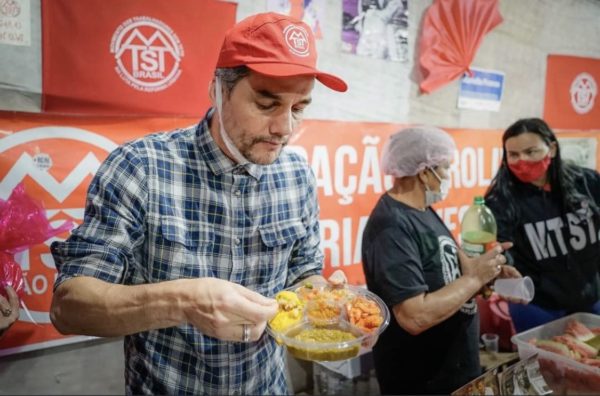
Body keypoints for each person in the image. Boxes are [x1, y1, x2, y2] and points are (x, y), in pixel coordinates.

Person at [49, 12, 347, 395]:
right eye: (266, 103)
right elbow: (69, 307)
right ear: (218, 91)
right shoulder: (141, 168)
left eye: (299, 108)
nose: (285, 128)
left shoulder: (296, 176)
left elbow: (303, 272)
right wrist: (184, 301)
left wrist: (326, 302)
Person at [361, 125, 520, 394]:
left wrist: (488, 272)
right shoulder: (391, 227)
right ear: (425, 172)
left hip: (454, 373)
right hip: (421, 381)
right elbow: (415, 316)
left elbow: (452, 273)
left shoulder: (422, 210)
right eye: (445, 168)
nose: (448, 175)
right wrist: (475, 278)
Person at [485, 118, 600, 332]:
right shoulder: (500, 199)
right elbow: (497, 244)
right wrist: (502, 267)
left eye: (531, 152)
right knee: (544, 363)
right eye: (514, 155)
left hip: (590, 294)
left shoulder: (587, 181)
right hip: (537, 304)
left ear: (552, 149)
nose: (522, 161)